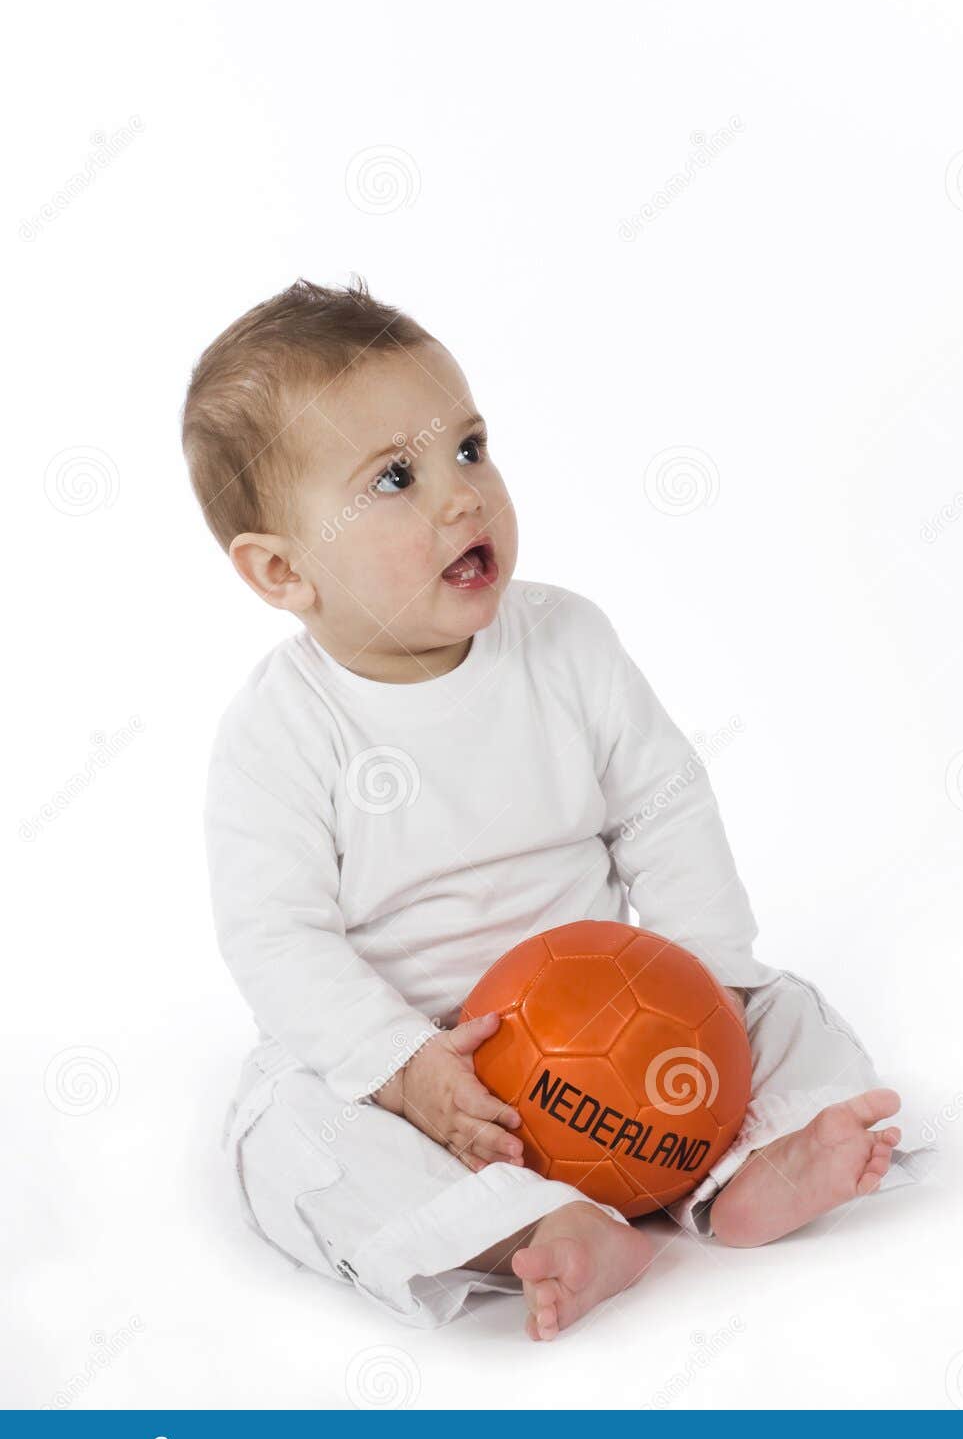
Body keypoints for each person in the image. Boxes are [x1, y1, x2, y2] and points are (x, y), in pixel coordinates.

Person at [182, 278, 924, 1342]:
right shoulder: (282, 732)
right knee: (282, 1130)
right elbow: (274, 933)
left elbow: (663, 808)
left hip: (620, 1034)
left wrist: (700, 986)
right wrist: (401, 1070)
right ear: (282, 570)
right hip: (434, 1071)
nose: (461, 497)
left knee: (785, 1004)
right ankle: (540, 1223)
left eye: (470, 448)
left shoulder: (566, 645)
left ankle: (760, 1157)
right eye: (395, 477)